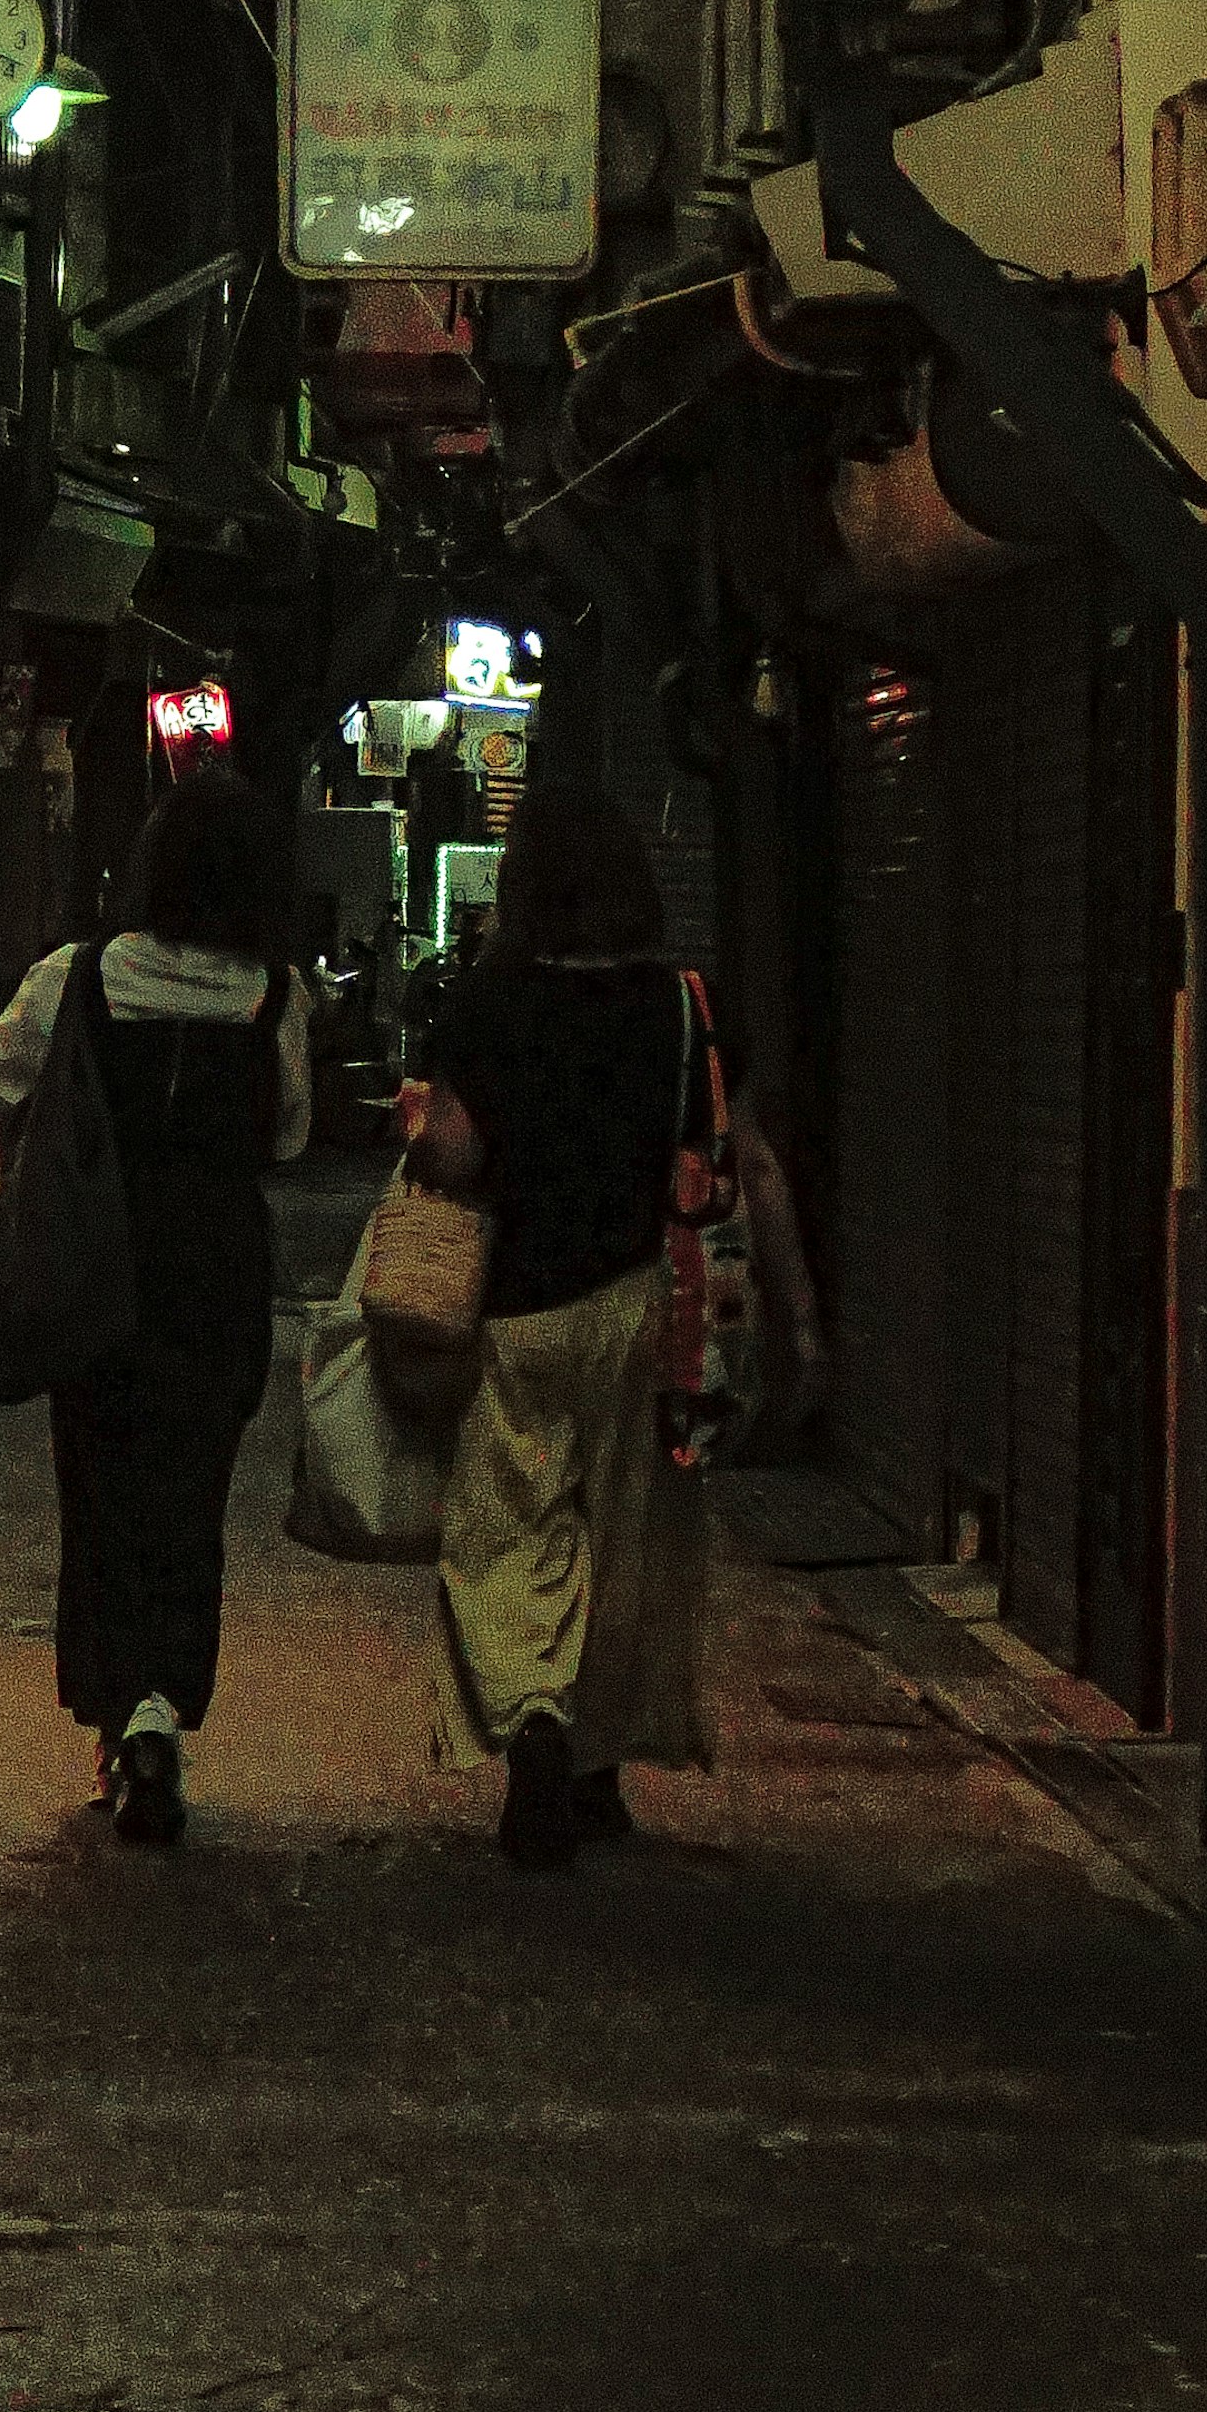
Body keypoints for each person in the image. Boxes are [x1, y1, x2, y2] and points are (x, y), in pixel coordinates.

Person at [0, 771, 310, 1846]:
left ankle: (117, 1716)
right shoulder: (274, 995)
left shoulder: (75, 979)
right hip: (219, 1281)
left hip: (92, 1275)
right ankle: (158, 1711)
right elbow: (286, 1136)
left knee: (100, 1495)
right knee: (189, 1504)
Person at [406, 785, 727, 1872]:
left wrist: (420, 1138)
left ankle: (534, 1715)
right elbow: (724, 1156)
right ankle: (596, 1766)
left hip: (519, 1306)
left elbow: (449, 1154)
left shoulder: (490, 1001)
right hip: (642, 1306)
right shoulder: (679, 1004)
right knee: (623, 1537)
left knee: (508, 1526)